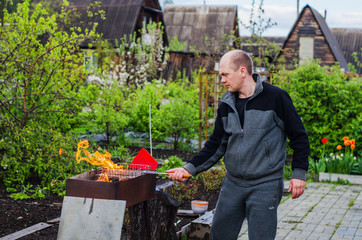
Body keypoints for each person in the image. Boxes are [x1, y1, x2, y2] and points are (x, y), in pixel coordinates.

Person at [166, 49, 310, 240]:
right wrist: (189, 169)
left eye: (225, 75)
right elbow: (215, 145)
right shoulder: (226, 104)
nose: (222, 80)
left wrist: (299, 174)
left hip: (265, 184)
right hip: (232, 184)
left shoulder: (276, 98)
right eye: (221, 76)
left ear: (243, 71)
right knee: (220, 234)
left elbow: (299, 136)